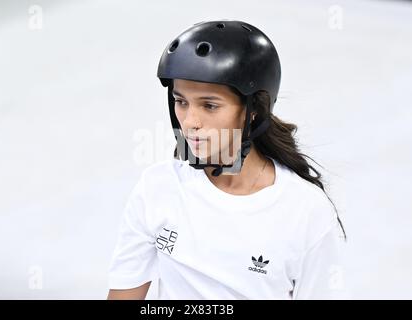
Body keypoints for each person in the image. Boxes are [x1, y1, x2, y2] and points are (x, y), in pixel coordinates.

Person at [107, 20, 348, 300]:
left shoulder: (305, 211)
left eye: (209, 105)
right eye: (181, 101)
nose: (190, 122)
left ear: (254, 109)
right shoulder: (157, 188)